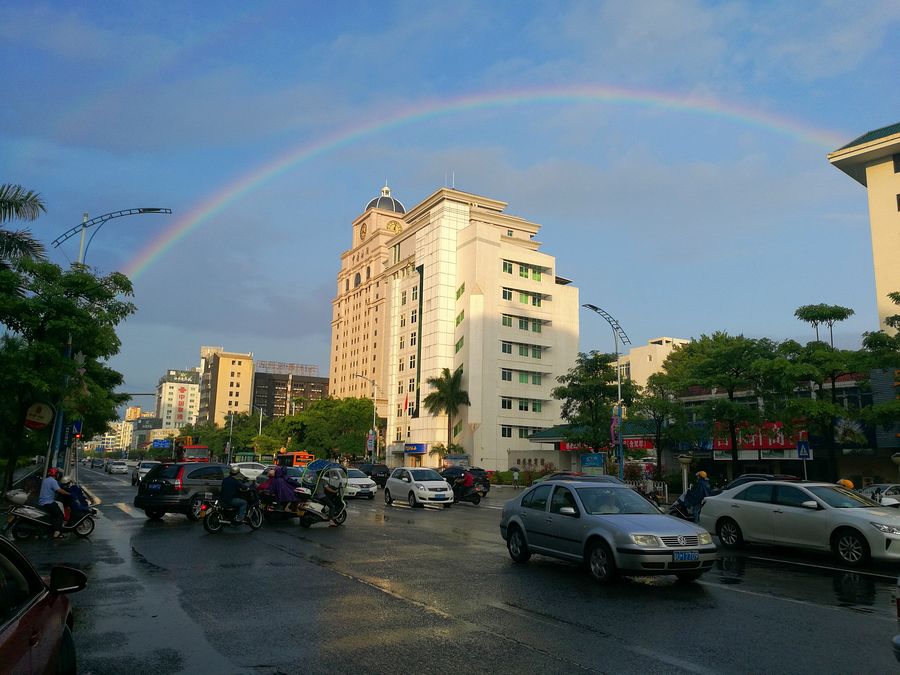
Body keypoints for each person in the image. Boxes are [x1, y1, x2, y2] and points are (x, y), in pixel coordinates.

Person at [38, 468, 69, 538]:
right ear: (56, 474)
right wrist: (68, 493)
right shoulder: (53, 481)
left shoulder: (45, 480)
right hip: (48, 502)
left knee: (53, 515)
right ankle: (57, 532)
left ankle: (51, 529)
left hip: (42, 501)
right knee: (60, 515)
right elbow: (59, 490)